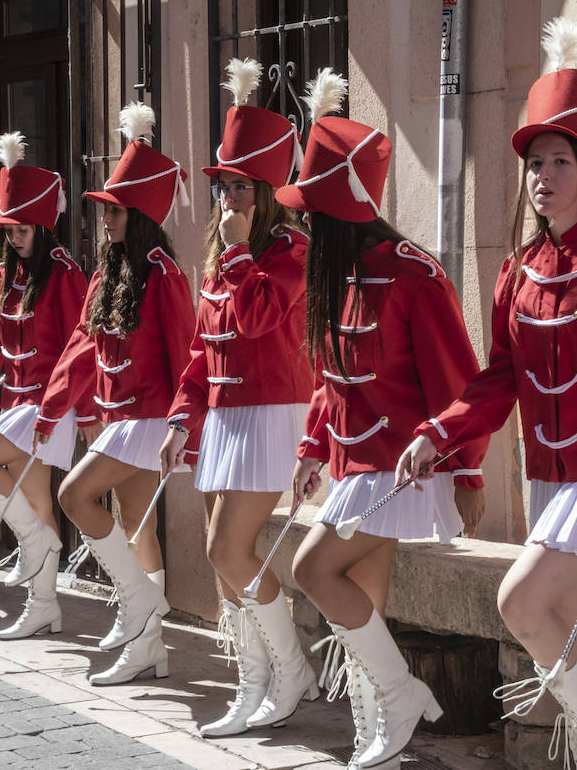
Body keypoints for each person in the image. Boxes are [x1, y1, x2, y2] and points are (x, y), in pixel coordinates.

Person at [396, 19, 577, 766]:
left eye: (559, 161)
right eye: (534, 162)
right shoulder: (517, 269)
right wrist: (439, 432)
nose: (542, 175)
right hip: (546, 474)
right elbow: (498, 375)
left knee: (521, 601)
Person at [278, 69, 487, 770]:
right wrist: (313, 445)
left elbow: (458, 379)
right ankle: (384, 734)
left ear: (340, 211)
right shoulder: (336, 277)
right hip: (352, 468)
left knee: (315, 570)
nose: (303, 219)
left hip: (403, 466)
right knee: (358, 602)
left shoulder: (412, 275)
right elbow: (330, 378)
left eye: (312, 208)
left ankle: (398, 695)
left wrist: (469, 467)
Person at [159, 57, 318, 735]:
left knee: (229, 549)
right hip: (223, 417)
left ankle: (290, 669)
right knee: (219, 556)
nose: (227, 203)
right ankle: (255, 681)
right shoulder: (224, 256)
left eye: (237, 190)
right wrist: (177, 420)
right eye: (221, 189)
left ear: (266, 191)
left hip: (272, 413)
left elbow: (256, 320)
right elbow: (202, 347)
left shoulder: (289, 255)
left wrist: (238, 255)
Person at [38, 102, 196, 685]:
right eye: (104, 208)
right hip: (116, 420)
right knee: (136, 528)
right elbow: (81, 344)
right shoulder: (107, 273)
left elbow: (187, 354)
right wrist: (55, 405)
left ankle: (140, 607)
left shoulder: (164, 272)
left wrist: (187, 428)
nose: (105, 218)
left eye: (116, 210)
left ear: (142, 215)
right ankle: (147, 644)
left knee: (75, 497)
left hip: (152, 419)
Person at [0, 131, 89, 639]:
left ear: (44, 224)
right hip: (16, 401)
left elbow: (82, 344)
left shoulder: (68, 274)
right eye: (7, 227)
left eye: (21, 226)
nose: (13, 235)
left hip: (52, 403)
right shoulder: (5, 274)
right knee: (34, 501)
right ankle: (44, 600)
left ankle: (39, 554)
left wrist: (88, 412)